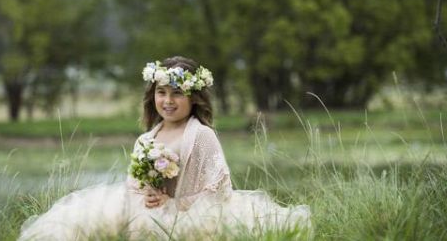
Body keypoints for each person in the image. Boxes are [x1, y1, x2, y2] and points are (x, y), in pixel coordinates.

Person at [18, 56, 311, 240]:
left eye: (177, 94)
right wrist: (148, 194)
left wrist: (174, 204)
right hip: (151, 210)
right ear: (153, 96)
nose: (168, 101)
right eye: (161, 93)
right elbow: (133, 184)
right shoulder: (146, 140)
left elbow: (219, 191)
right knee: (77, 222)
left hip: (192, 213)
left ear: (194, 98)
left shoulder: (201, 136)